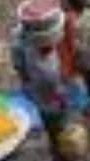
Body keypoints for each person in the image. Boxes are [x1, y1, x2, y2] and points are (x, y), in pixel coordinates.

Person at [11, 30, 73, 161]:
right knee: (57, 128)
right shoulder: (48, 72)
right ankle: (60, 152)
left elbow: (18, 67)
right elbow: (59, 93)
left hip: (33, 95)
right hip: (50, 105)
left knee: (50, 127)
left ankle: (55, 147)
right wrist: (65, 101)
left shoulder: (23, 44)